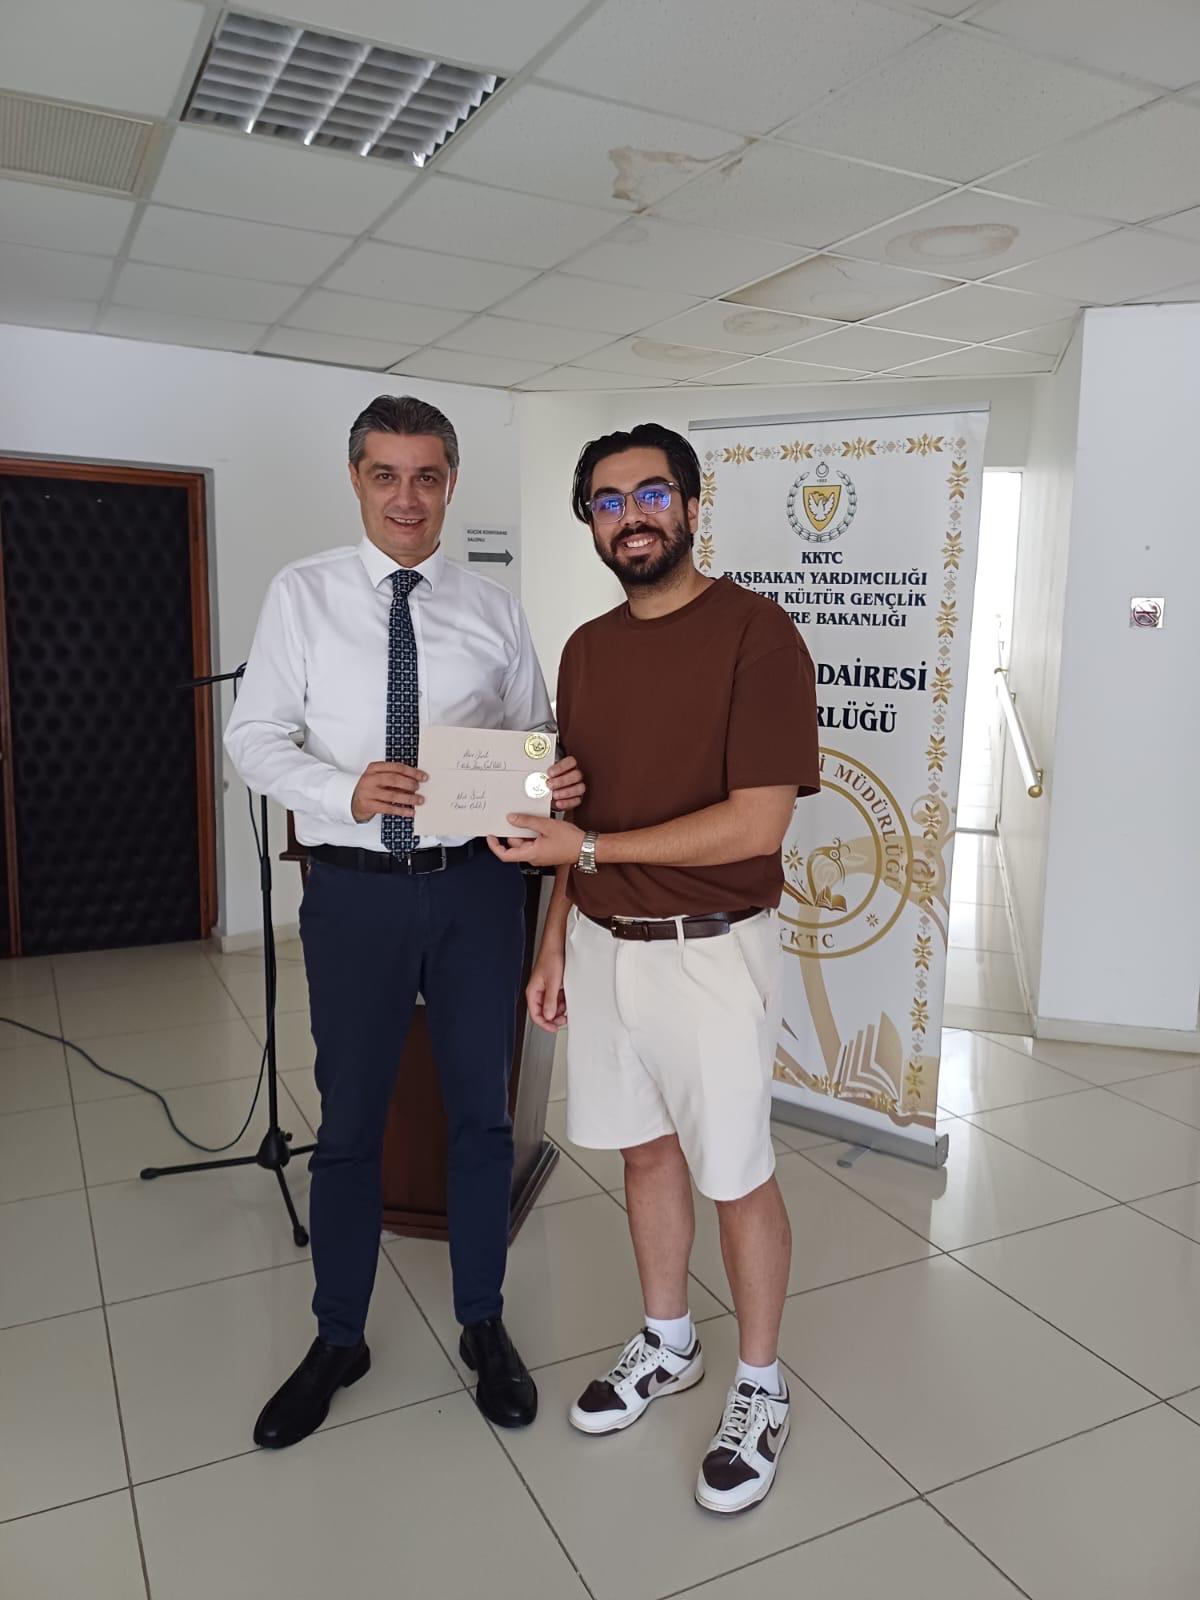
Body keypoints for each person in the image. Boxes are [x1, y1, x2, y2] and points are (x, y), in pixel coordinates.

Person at [225, 394, 584, 1448]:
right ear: (357, 480)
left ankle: (483, 1321)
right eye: (385, 475)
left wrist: (551, 776)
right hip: (354, 891)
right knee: (350, 1122)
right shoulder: (302, 596)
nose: (407, 497)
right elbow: (253, 738)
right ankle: (339, 1335)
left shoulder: (495, 609)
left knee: (481, 1114)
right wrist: (342, 789)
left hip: (475, 890)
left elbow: (534, 733)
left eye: (427, 476)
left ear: (451, 483)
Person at [489, 422, 819, 1514]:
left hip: (711, 952)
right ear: (590, 522)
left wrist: (586, 852)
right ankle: (669, 1340)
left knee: (737, 1172)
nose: (630, 516)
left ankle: (761, 1383)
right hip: (603, 945)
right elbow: (575, 813)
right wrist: (556, 936)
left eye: (650, 494)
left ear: (690, 505)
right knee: (643, 1153)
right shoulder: (585, 649)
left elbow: (756, 823)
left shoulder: (758, 634)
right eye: (607, 502)